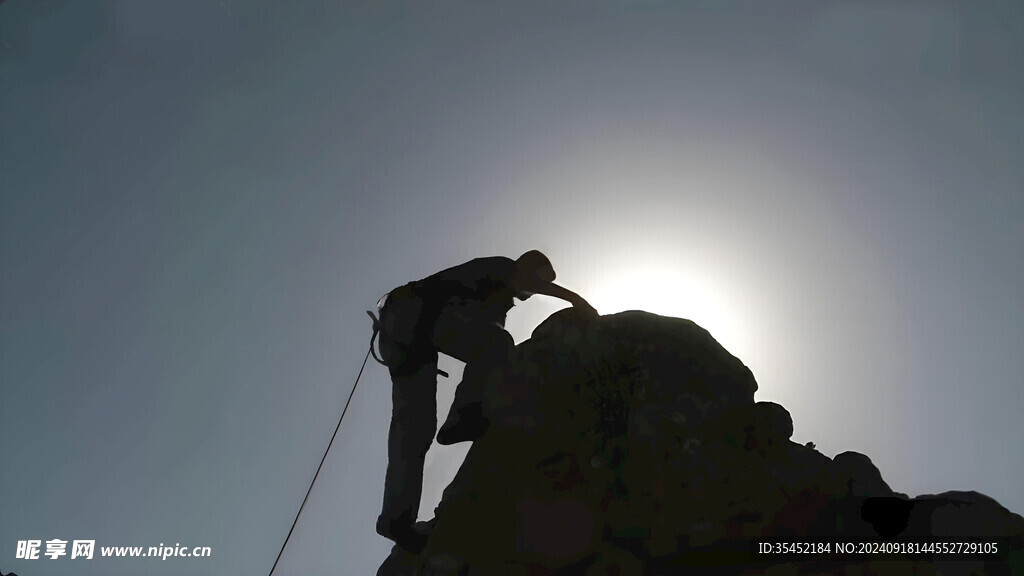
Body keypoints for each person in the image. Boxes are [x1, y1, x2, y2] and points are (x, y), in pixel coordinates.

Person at [374, 250, 598, 552]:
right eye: (536, 283)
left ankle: (396, 521)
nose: (531, 294)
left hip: (401, 331)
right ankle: (463, 415)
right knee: (496, 342)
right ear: (526, 269)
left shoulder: (496, 301)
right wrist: (576, 299)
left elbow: (488, 343)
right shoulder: (500, 267)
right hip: (411, 313)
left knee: (414, 429)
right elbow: (495, 334)